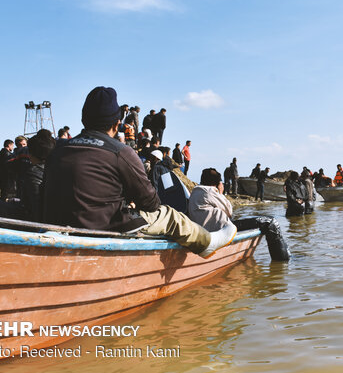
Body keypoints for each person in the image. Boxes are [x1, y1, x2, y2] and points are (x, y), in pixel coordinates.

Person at [43, 86, 234, 258]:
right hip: (108, 227)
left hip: (62, 225)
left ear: (84, 119)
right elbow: (151, 203)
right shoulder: (120, 152)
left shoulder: (58, 150)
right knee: (169, 215)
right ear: (116, 124)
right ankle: (207, 243)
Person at [188, 168, 290, 261]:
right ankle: (283, 261)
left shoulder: (196, 192)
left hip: (206, 229)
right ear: (216, 183)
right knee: (270, 222)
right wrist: (220, 192)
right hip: (220, 230)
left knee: (256, 220)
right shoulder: (209, 191)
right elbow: (229, 211)